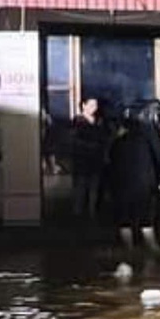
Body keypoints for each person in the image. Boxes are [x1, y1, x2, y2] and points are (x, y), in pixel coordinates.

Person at [108, 103, 160, 252]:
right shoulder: (149, 137)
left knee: (124, 221)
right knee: (146, 219)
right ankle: (153, 251)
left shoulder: (118, 142)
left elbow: (110, 164)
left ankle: (129, 251)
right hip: (144, 185)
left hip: (122, 185)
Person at [69, 97, 107, 227]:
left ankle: (93, 214)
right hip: (82, 161)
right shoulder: (77, 121)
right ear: (83, 105)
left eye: (95, 105)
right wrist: (89, 146)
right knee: (81, 188)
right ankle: (78, 216)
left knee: (94, 189)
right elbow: (74, 141)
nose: (94, 108)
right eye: (91, 105)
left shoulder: (99, 122)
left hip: (96, 161)